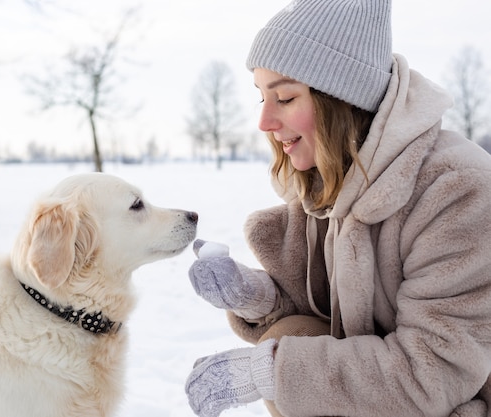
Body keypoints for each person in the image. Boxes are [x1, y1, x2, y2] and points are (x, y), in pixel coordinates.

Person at [184, 0, 491, 416]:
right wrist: (254, 296)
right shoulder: (332, 180)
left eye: (286, 97)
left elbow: (432, 372)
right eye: (262, 98)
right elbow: (324, 312)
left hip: (460, 397)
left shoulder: (455, 188)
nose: (265, 122)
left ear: (342, 99)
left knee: (286, 364)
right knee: (290, 334)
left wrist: (268, 372)